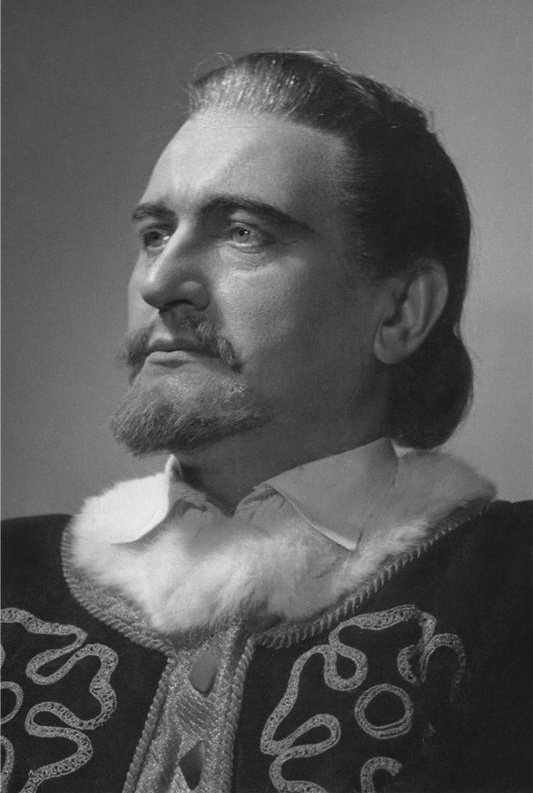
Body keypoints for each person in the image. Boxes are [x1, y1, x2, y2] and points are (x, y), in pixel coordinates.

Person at [2, 50, 531, 793]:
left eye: (243, 233)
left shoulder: (508, 587)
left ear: (400, 312)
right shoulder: (10, 577)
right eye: (155, 233)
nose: (160, 281)